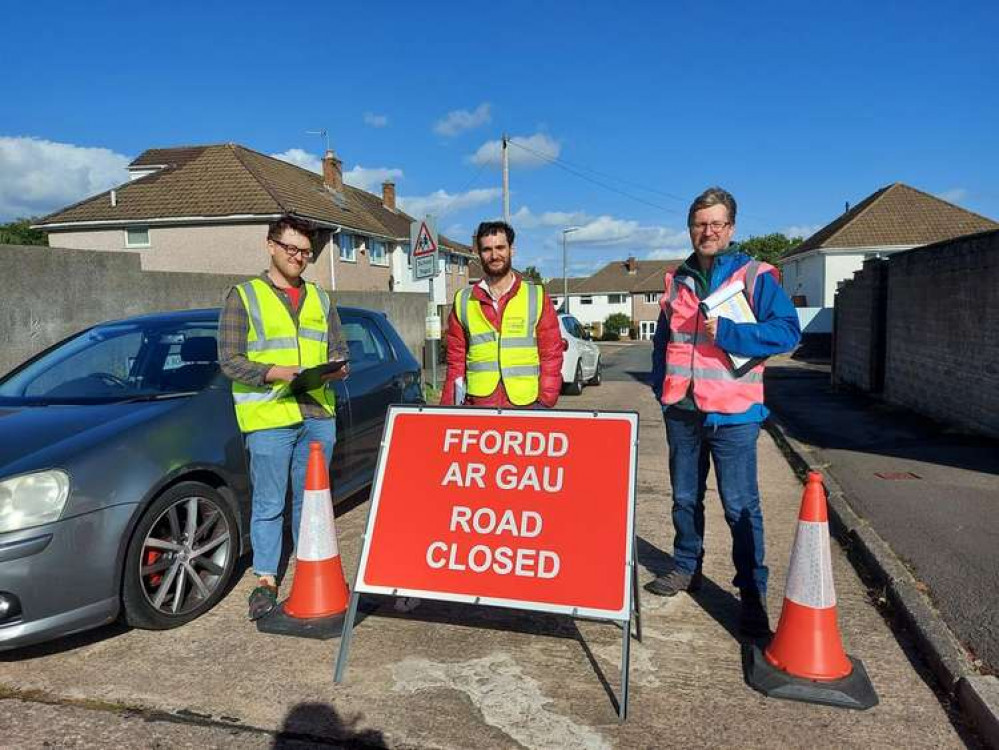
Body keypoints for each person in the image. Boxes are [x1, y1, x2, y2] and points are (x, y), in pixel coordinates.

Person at [645, 187, 801, 638]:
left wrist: (731, 333)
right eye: (700, 224)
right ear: (690, 228)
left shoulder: (754, 276)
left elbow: (787, 332)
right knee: (684, 498)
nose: (707, 231)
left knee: (739, 507)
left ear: (730, 228)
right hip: (683, 411)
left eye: (716, 224)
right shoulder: (677, 279)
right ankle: (686, 567)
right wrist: (662, 389)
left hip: (734, 414)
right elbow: (662, 342)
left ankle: (751, 592)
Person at [219, 215, 349, 621]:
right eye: (292, 249)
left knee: (311, 503)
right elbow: (230, 361)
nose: (299, 258)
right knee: (270, 503)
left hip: (316, 414)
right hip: (270, 414)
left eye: (306, 252)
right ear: (271, 245)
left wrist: (337, 368)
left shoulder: (321, 298)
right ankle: (266, 579)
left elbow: (339, 351)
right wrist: (278, 373)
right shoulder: (244, 296)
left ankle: (308, 571)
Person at [440, 220, 563, 408]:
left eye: (500, 247)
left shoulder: (536, 296)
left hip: (526, 405)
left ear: (511, 250)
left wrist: (546, 400)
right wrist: (449, 407)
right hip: (480, 405)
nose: (494, 255)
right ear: (479, 253)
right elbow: (455, 359)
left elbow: (551, 353)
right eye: (487, 249)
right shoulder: (463, 300)